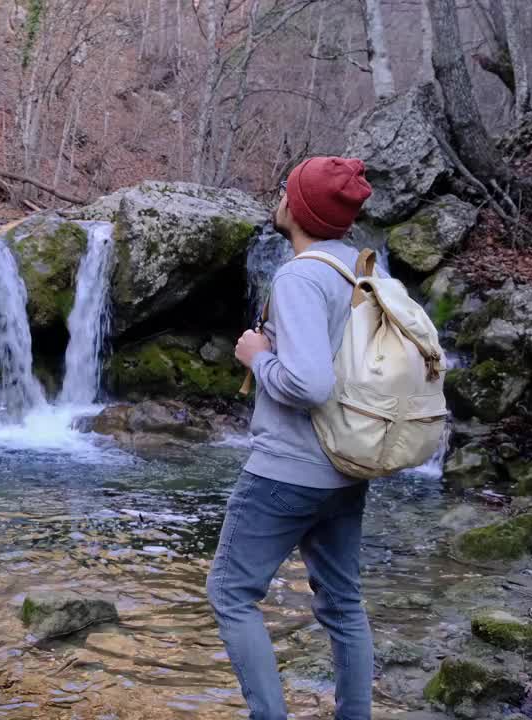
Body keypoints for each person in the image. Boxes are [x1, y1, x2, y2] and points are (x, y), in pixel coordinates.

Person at [207, 156, 375, 720]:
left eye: (287, 190)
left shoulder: (302, 275)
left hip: (288, 469)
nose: (278, 196)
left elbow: (308, 383)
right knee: (344, 604)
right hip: (347, 464)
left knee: (231, 594)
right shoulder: (365, 270)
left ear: (299, 209)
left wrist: (259, 356)